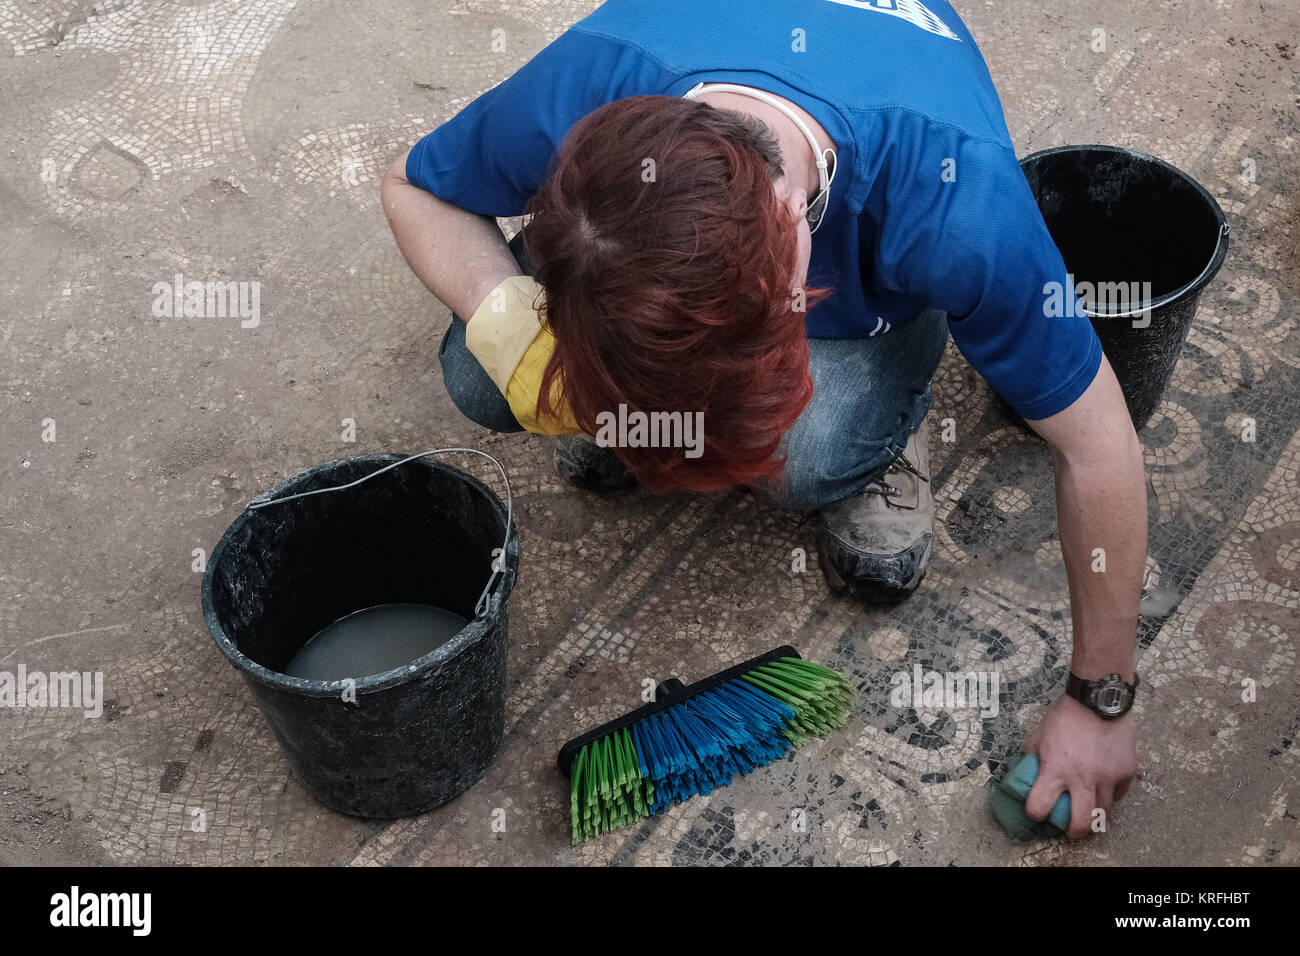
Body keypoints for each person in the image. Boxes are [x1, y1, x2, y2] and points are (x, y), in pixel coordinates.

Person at [381, 0, 1144, 838]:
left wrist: (1100, 700)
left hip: (883, 265)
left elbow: (1099, 447)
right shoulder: (588, 86)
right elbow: (416, 186)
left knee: (806, 459)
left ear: (793, 251)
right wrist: (514, 332)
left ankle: (893, 421)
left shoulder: (956, 196)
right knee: (479, 373)